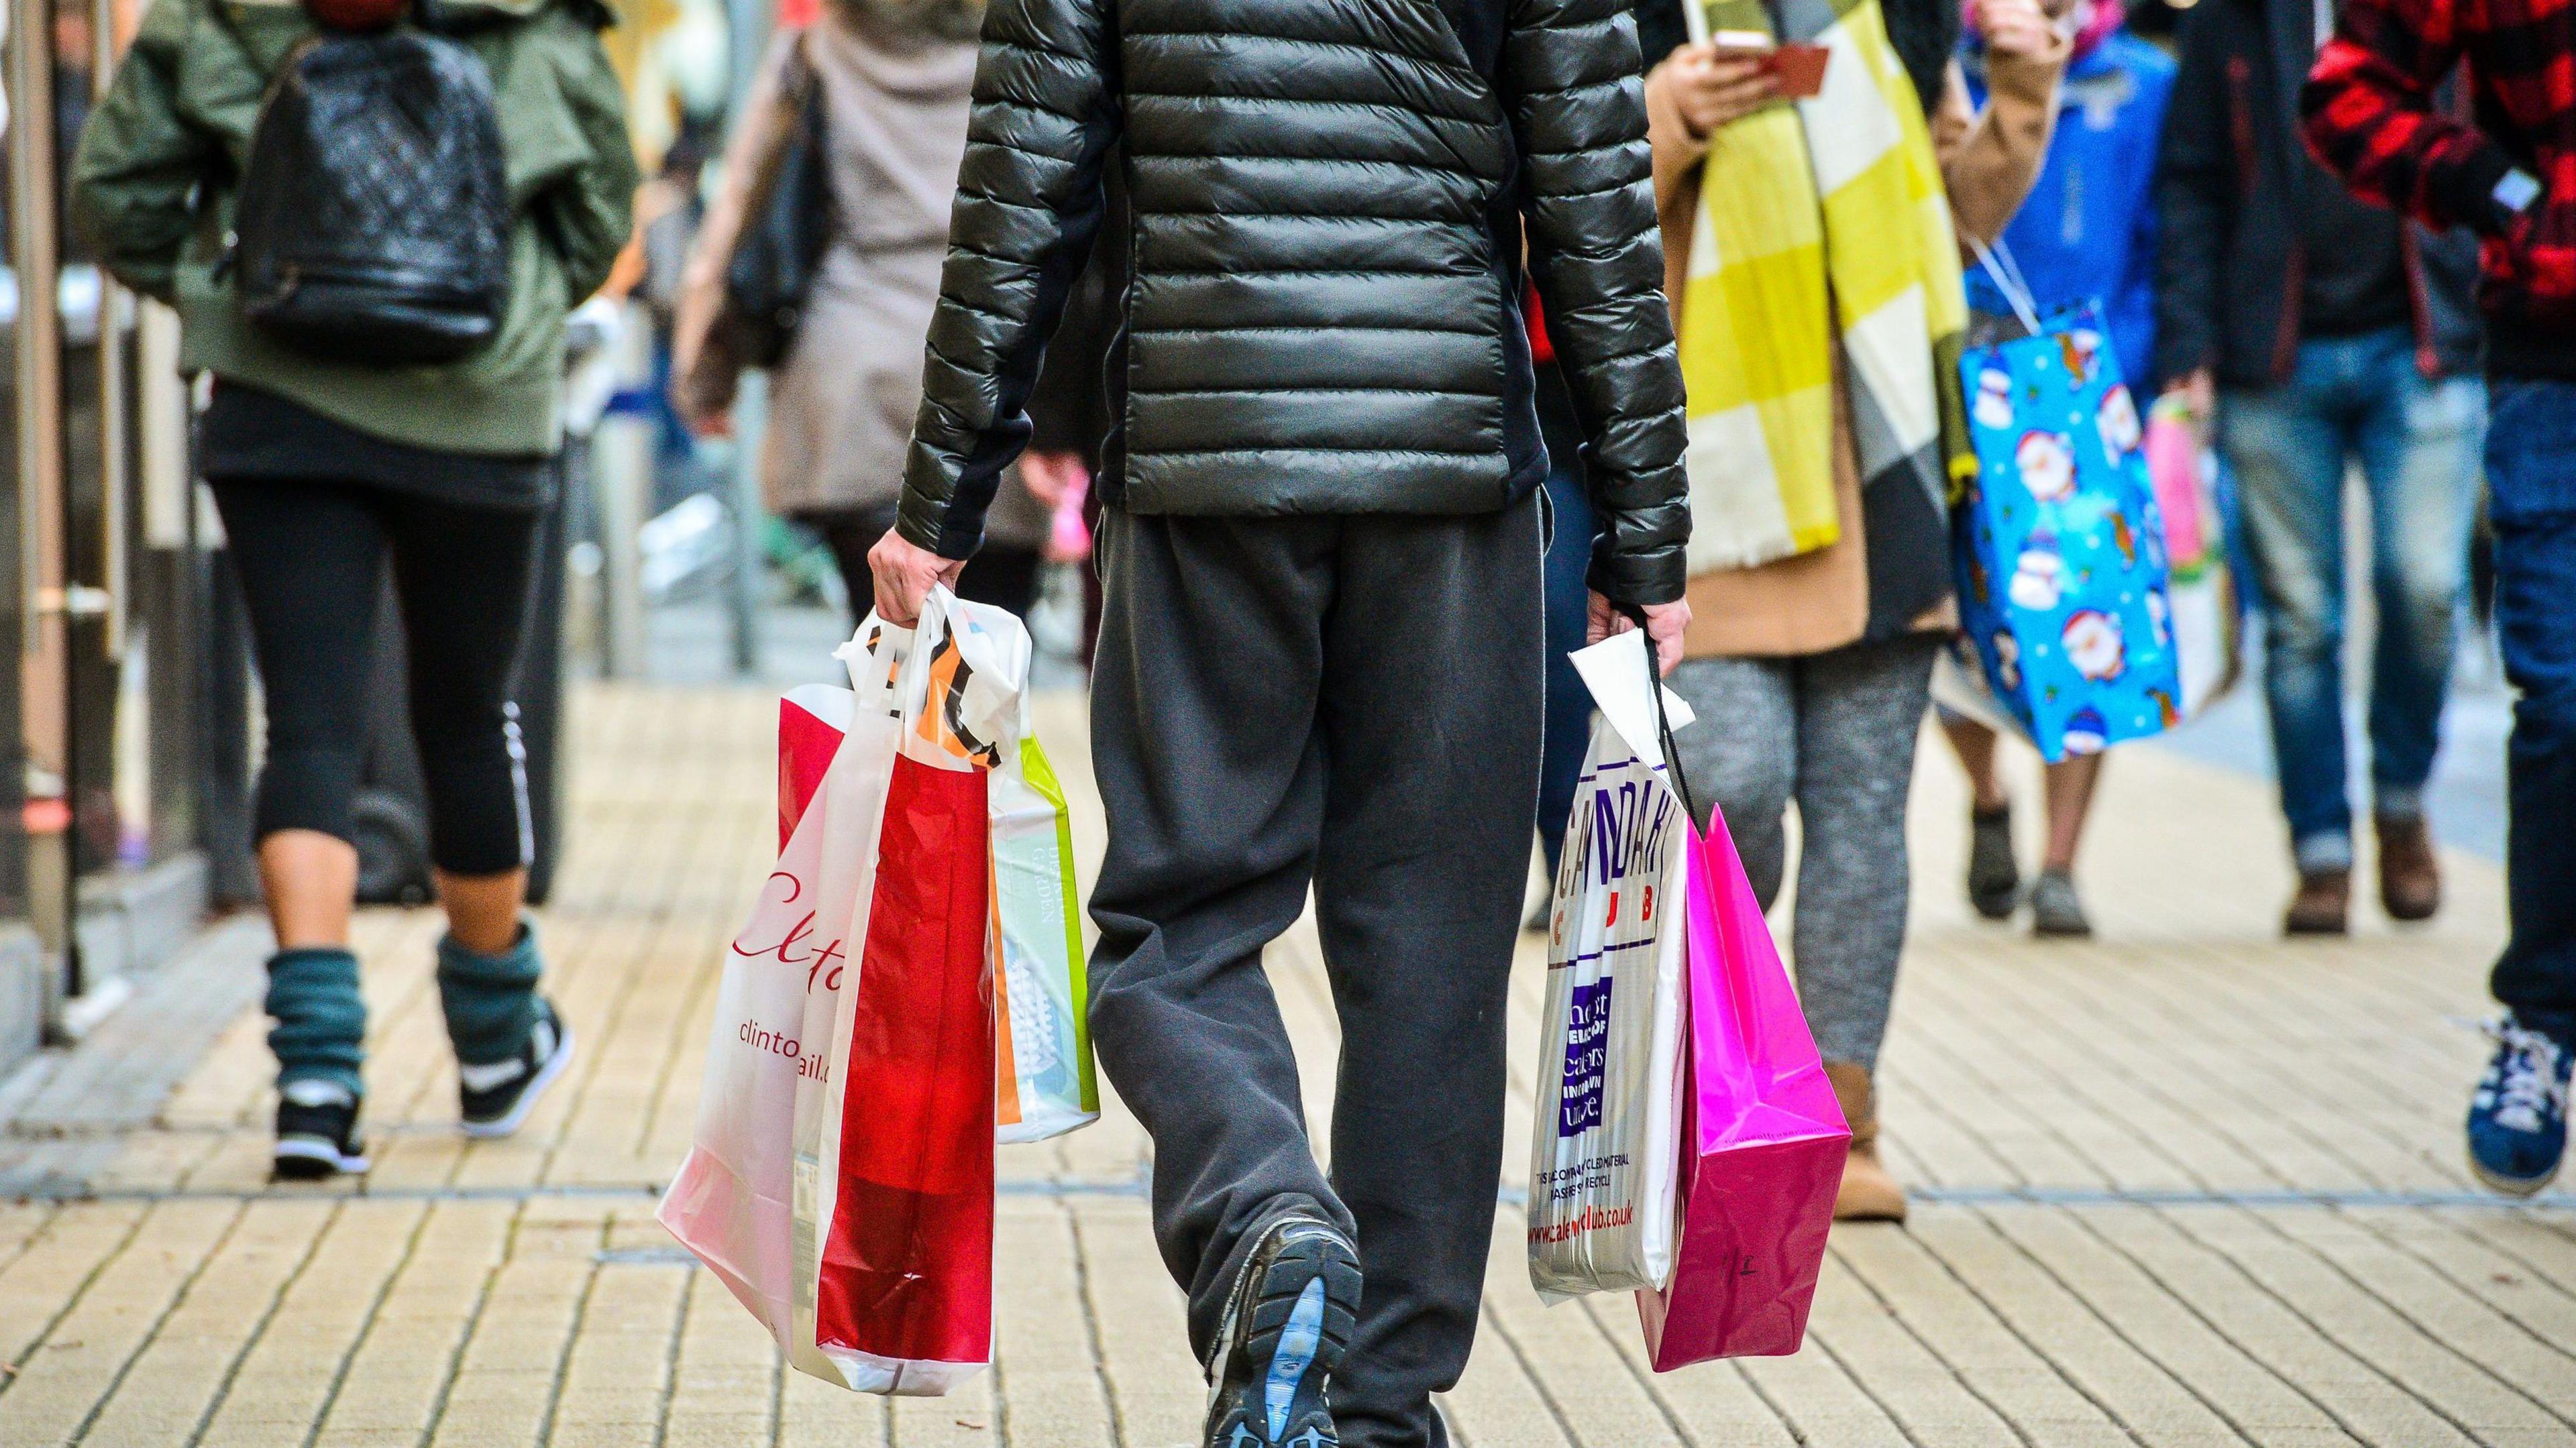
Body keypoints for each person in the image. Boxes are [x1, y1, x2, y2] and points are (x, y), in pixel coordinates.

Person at [867, 0, 1693, 1442]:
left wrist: (942, 505)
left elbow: (1022, 183)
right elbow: (1593, 194)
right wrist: (1647, 536)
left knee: (1179, 920)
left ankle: (1263, 1216)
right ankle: (1377, 1403)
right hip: (1447, 463)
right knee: (1431, 948)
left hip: (1205, 450)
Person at [70, 0, 636, 1178]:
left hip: (281, 403)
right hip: (484, 411)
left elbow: (116, 195)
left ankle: (318, 1083)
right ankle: (493, 1045)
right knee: (472, 719)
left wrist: (233, 297)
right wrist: (504, 323)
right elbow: (595, 217)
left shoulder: (219, 16)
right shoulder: (536, 21)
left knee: (311, 729)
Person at [1643, 0, 2066, 1221]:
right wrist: (1668, 112)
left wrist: (2020, 89)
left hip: (1887, 483)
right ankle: (1723, 1064)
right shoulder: (1644, 19)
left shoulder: (1895, 24)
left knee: (1865, 813)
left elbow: (1955, 212)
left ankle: (1842, 1118)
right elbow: (1552, 215)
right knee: (1732, 783)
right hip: (1717, 485)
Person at [2301, 0, 2575, 1194]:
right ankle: (2545, 1023)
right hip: (2552, 352)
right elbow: (2344, 94)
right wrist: (2505, 194)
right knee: (2565, 696)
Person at [2156, 0, 2485, 937]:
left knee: (2424, 591)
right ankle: (2322, 851)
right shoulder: (2232, 19)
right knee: (2300, 623)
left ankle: (2400, 798)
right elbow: (2192, 181)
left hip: (2425, 343)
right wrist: (2192, 340)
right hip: (2274, 352)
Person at [671, 0, 1067, 623]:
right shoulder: (1043, 53)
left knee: (878, 650)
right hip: (998, 378)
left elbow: (742, 214)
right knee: (987, 660)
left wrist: (706, 378)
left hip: (851, 377)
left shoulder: (819, 48)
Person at [1941, 0, 2176, 937]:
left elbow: (2172, 231)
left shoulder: (2147, 81)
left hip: (2092, 379)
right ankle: (1988, 793)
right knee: (1955, 612)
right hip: (1961, 367)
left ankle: (2061, 862)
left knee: (2092, 614)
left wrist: (2147, 368)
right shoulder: (1940, 67)